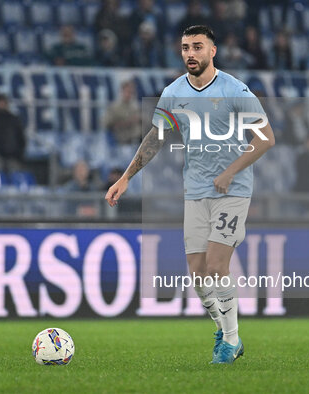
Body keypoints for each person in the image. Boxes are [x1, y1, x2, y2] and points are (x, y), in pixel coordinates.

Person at [105, 25, 275, 364]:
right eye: (185, 47)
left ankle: (230, 341)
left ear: (213, 51)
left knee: (215, 266)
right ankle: (226, 331)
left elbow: (266, 138)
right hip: (196, 192)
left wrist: (230, 171)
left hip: (232, 190)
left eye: (197, 47)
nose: (190, 54)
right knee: (198, 278)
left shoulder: (235, 90)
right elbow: (156, 138)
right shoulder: (173, 92)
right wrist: (126, 177)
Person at [103, 80, 142, 145]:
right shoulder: (114, 107)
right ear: (122, 92)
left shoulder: (136, 106)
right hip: (120, 140)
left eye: (132, 92)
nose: (129, 94)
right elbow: (106, 123)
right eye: (128, 92)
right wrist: (126, 122)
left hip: (136, 140)